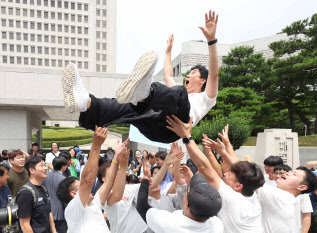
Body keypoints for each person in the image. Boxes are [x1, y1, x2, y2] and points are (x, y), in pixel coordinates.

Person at [60, 11, 219, 144]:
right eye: (189, 72)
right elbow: (167, 74)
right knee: (128, 106)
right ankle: (84, 103)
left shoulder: (206, 98)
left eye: (194, 73)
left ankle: (145, 95)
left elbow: (214, 74)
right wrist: (168, 51)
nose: (189, 74)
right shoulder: (171, 95)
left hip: (172, 130)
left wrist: (211, 40)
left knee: (178, 92)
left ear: (202, 80)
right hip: (153, 123)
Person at [167, 115, 265, 233]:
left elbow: (205, 168)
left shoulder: (233, 199)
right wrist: (223, 150)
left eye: (230, 174)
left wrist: (186, 136)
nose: (226, 172)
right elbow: (238, 166)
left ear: (238, 186)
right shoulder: (252, 194)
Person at [56, 127, 130, 233]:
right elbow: (87, 181)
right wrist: (96, 145)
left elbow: (108, 182)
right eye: (80, 185)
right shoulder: (73, 209)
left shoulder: (94, 203)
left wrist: (116, 157)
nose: (86, 187)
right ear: (73, 193)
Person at [136, 171, 223, 233]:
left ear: (186, 204)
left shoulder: (169, 223)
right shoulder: (217, 225)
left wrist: (145, 181)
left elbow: (141, 206)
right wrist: (190, 184)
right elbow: (205, 203)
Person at [16, 156, 57, 233]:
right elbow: (24, 224)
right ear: (31, 170)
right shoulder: (26, 193)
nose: (45, 168)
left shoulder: (43, 188)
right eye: (41, 166)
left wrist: (54, 231)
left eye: (45, 165)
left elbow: (49, 212)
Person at [42, 156, 68, 233]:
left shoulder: (45, 176)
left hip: (46, 211)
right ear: (63, 167)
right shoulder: (64, 179)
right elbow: (65, 198)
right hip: (59, 213)